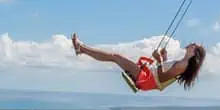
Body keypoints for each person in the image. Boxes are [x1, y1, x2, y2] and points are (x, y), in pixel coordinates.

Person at [71, 33, 206, 92]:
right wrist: (164, 58)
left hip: (147, 79)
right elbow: (166, 73)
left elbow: (163, 77)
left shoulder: (184, 65)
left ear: (194, 52)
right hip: (148, 77)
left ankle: (81, 48)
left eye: (195, 45)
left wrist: (159, 61)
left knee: (115, 57)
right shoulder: (183, 62)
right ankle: (81, 49)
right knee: (115, 57)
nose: (192, 43)